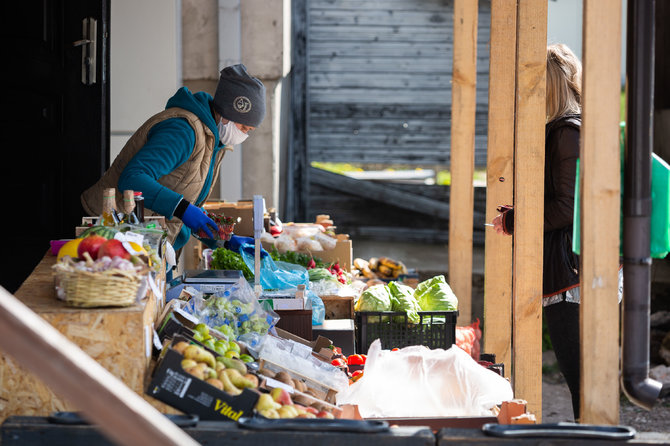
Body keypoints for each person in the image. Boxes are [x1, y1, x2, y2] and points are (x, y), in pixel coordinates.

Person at [81, 64, 266, 259]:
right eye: (244, 128)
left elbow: (187, 200)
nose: (244, 136)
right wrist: (182, 209)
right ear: (228, 114)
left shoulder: (213, 141)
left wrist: (224, 239)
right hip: (107, 236)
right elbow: (132, 179)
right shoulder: (183, 131)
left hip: (147, 243)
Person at [492, 43, 584, 421]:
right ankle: (588, 430)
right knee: (576, 368)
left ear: (547, 87)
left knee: (580, 372)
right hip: (566, 267)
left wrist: (518, 221)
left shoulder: (567, 132)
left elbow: (567, 208)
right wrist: (521, 213)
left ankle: (591, 434)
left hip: (571, 271)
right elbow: (560, 196)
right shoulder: (563, 130)